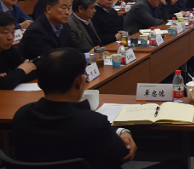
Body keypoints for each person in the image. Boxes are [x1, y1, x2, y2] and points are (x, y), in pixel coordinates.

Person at [12, 48, 182, 169]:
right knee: (177, 165)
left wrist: (117, 130)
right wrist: (123, 132)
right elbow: (122, 154)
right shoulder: (92, 123)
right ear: (80, 81)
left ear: (40, 83)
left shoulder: (22, 115)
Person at [17, 0, 89, 61]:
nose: (67, 12)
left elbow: (75, 47)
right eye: (63, 8)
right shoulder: (36, 31)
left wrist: (93, 52)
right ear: (49, 9)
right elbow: (51, 60)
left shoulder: (64, 26)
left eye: (68, 8)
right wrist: (85, 56)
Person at [0, 12, 37, 90]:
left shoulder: (9, 50)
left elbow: (32, 71)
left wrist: (12, 77)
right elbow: (4, 84)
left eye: (13, 32)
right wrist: (20, 71)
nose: (10, 37)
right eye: (5, 33)